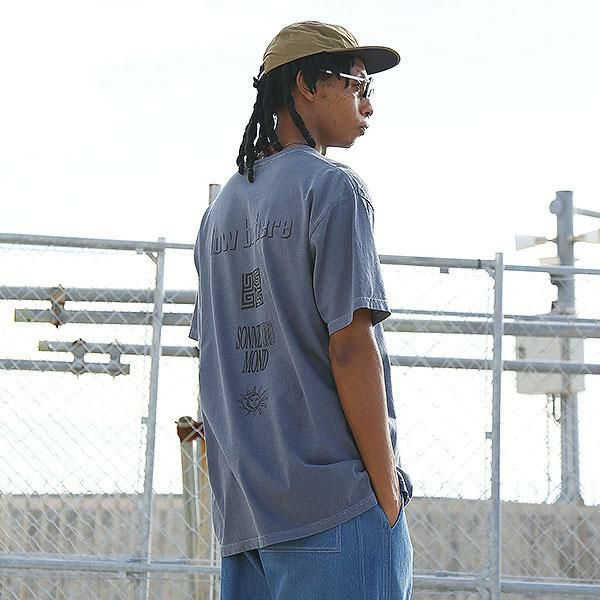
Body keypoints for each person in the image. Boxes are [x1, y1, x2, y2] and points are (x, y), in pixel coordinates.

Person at [189, 20, 413, 599]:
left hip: (248, 522)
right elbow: (350, 346)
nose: (368, 105)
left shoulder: (218, 215)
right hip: (335, 508)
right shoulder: (333, 189)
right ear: (307, 85)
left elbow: (213, 360)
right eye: (357, 83)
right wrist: (386, 492)